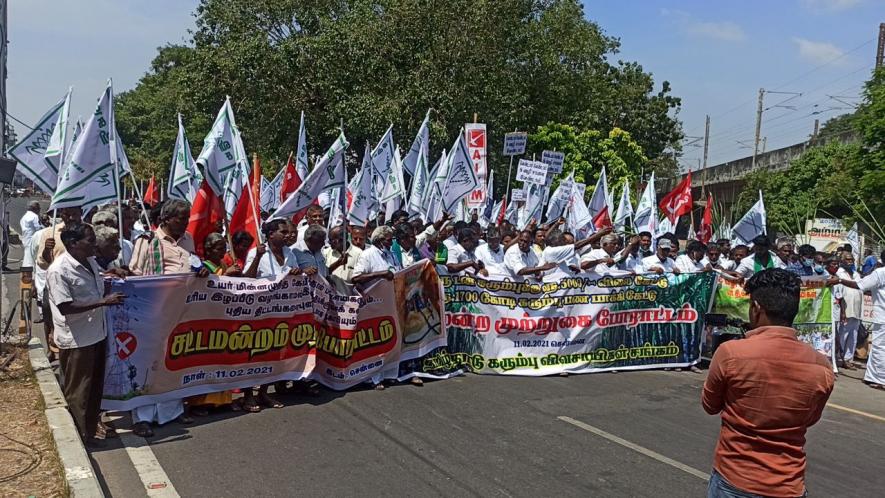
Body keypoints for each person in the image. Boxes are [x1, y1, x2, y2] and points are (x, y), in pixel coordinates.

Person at [703, 268, 834, 497]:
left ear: (756, 309)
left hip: (735, 479)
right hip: (788, 484)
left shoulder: (730, 353)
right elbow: (810, 418)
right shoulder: (821, 366)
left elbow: (710, 405)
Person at [47, 224, 126, 447]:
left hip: (97, 333)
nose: (94, 245)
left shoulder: (89, 262)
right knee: (78, 391)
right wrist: (103, 302)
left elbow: (94, 283)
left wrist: (111, 273)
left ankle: (90, 431)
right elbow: (66, 306)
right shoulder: (59, 270)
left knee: (93, 388)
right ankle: (77, 438)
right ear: (74, 244)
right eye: (90, 240)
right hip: (77, 338)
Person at [828, 250, 885, 389]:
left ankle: (881, 379)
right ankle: (872, 376)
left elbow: (860, 285)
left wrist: (840, 280)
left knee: (879, 347)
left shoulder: (880, 273)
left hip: (882, 317)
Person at [833, 252, 863, 369]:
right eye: (848, 260)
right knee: (843, 334)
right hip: (846, 308)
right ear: (842, 261)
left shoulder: (856, 274)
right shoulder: (839, 274)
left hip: (857, 309)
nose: (850, 262)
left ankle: (848, 358)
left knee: (853, 335)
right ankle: (839, 358)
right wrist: (842, 311)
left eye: (852, 260)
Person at [323, 225, 359, 293]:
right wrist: (338, 263)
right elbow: (324, 273)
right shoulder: (325, 253)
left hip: (350, 300)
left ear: (342, 239)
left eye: (331, 240)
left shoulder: (359, 254)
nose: (329, 242)